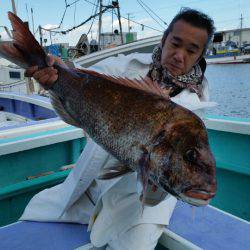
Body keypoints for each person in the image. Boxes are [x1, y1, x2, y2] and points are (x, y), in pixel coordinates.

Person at [22, 8, 215, 250]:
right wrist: (55, 73)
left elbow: (165, 171)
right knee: (37, 219)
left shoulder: (195, 109)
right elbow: (82, 76)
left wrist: (163, 175)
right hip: (94, 182)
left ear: (200, 56)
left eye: (191, 50)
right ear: (164, 39)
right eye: (175, 44)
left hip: (142, 199)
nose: (179, 56)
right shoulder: (128, 65)